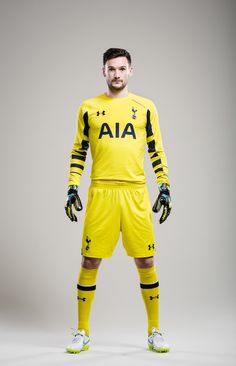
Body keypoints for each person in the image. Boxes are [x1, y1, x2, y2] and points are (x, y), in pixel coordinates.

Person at [64, 48, 172, 354]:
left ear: (131, 71)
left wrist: (164, 185)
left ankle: (154, 331)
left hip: (136, 193)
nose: (117, 74)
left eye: (122, 69)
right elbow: (78, 151)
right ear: (103, 71)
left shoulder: (145, 107)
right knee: (90, 260)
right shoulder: (88, 107)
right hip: (101, 192)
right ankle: (82, 332)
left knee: (146, 260)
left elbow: (156, 150)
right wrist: (72, 186)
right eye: (111, 69)